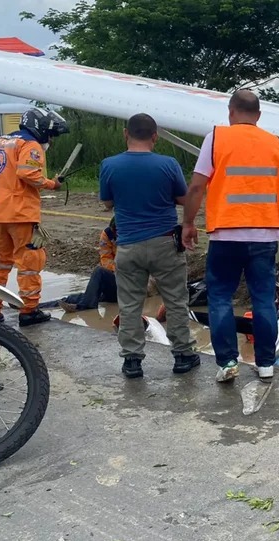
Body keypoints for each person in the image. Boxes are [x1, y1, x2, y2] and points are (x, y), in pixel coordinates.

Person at [181, 89, 279, 383]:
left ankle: (227, 363)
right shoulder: (277, 143)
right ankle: (265, 365)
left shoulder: (216, 138)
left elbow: (197, 187)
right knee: (262, 299)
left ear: (231, 112)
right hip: (265, 236)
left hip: (225, 235)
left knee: (220, 297)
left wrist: (187, 223)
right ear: (258, 116)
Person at [100, 112, 200, 379]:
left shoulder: (109, 165)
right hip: (165, 243)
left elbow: (108, 203)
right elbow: (183, 198)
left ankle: (132, 361)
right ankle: (183, 355)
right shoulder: (168, 164)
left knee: (130, 305)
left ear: (125, 134)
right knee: (176, 301)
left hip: (128, 245)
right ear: (155, 136)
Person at [0, 107, 68, 326]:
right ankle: (29, 310)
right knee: (29, 262)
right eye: (49, 134)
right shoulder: (30, 146)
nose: (49, 139)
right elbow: (28, 173)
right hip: (20, 213)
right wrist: (52, 184)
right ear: (40, 129)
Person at [58, 216, 119, 312]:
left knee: (99, 271)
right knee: (82, 296)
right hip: (117, 279)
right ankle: (37, 307)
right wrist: (115, 270)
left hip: (129, 286)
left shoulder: (134, 237)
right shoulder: (107, 234)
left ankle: (87, 306)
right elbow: (105, 258)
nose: (115, 236)